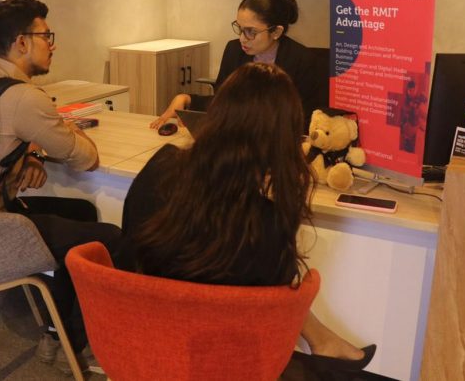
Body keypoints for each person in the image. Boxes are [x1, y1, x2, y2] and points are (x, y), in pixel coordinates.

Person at [122, 63, 376, 372]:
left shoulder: (159, 168)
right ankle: (325, 343)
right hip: (222, 364)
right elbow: (278, 306)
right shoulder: (261, 225)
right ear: (282, 138)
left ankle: (325, 342)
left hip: (144, 346)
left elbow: (130, 249)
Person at [0, 0, 119, 374]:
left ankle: (55, 332)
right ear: (21, 43)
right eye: (46, 36)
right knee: (111, 238)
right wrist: (57, 134)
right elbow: (86, 157)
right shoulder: (26, 98)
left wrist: (30, 150)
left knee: (80, 213)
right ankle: (80, 342)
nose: (53, 44)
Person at [150, 0, 326, 129]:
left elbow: (305, 121)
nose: (242, 38)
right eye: (240, 29)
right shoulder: (234, 50)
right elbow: (223, 103)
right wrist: (187, 99)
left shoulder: (302, 60)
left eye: (251, 32)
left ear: (276, 32)